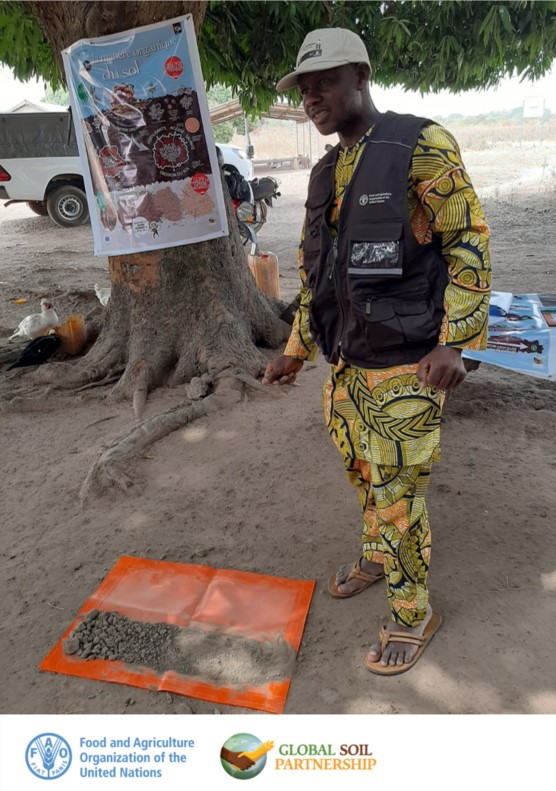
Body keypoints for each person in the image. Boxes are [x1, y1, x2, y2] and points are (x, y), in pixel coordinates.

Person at [263, 28, 491, 675]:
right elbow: (318, 277)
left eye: (325, 84)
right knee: (364, 477)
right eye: (305, 91)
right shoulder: (324, 172)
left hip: (407, 365)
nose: (313, 100)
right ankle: (378, 554)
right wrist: (296, 350)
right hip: (346, 370)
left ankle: (413, 611)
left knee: (397, 496)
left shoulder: (422, 145)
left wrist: (458, 341)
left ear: (360, 75)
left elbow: (468, 244)